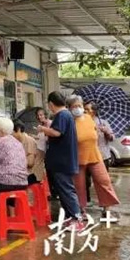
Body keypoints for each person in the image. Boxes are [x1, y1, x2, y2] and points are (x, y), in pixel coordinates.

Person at [67, 95, 120, 218]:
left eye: (79, 105)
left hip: (95, 155)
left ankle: (107, 210)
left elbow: (95, 134)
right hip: (77, 158)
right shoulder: (69, 122)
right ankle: (81, 210)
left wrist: (104, 131)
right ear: (69, 108)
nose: (78, 108)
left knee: (104, 181)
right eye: (74, 106)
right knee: (79, 185)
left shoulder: (89, 118)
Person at [38, 91, 83, 229]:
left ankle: (76, 219)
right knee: (63, 191)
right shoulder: (66, 115)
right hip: (62, 160)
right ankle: (70, 218)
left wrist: (43, 129)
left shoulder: (62, 115)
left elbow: (57, 132)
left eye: (49, 105)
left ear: (51, 104)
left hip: (62, 161)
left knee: (67, 190)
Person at [84, 101, 114, 170]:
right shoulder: (83, 123)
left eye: (87, 109)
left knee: (102, 176)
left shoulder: (103, 123)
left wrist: (106, 132)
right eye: (84, 109)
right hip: (87, 156)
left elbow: (112, 138)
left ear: (94, 111)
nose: (85, 111)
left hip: (102, 156)